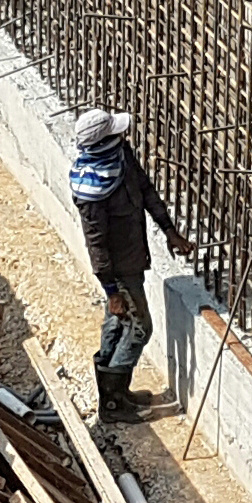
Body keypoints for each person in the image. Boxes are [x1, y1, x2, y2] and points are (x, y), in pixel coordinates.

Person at [68, 109, 193, 420]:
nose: (122, 136)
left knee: (117, 323)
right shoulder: (92, 193)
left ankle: (116, 394)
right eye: (115, 133)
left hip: (133, 260)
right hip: (117, 270)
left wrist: (169, 230)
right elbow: (96, 245)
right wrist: (111, 290)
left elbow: (146, 190)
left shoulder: (120, 159)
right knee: (140, 327)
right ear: (103, 142)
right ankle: (113, 404)